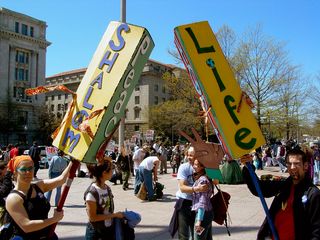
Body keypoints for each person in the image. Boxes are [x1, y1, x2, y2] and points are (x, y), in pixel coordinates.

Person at [242, 148, 320, 240]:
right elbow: (259, 188)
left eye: (297, 164)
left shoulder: (313, 194)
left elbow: (317, 232)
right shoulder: (284, 185)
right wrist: (248, 167)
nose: (292, 167)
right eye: (289, 164)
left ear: (305, 166)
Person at [5, 155, 73, 239]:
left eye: (30, 168)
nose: (28, 172)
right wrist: (54, 219)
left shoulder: (39, 186)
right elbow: (26, 226)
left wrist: (73, 161)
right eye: (23, 169)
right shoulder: (13, 198)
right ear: (15, 172)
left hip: (48, 235)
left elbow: (61, 179)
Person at [170, 146, 209, 240]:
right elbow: (182, 188)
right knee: (183, 234)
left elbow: (215, 182)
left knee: (196, 233)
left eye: (192, 155)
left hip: (198, 204)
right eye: (188, 155)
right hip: (184, 202)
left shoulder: (204, 168)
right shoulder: (183, 167)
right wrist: (197, 188)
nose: (189, 157)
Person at [84, 159, 125, 240]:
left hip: (108, 229)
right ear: (104, 173)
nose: (113, 172)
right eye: (111, 169)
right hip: (96, 232)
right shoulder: (92, 193)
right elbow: (93, 217)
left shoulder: (107, 188)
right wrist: (115, 215)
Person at [191, 159, 213, 240]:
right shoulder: (203, 177)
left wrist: (199, 220)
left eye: (196, 165)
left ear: (202, 167)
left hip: (202, 214)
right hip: (207, 213)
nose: (193, 166)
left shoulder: (203, 180)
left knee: (198, 238)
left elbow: (202, 201)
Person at [0, 161, 14, 225]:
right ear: (1, 170)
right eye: (7, 168)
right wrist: (7, 176)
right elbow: (3, 192)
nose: (9, 170)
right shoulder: (6, 178)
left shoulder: (4, 179)